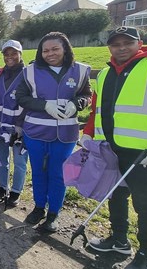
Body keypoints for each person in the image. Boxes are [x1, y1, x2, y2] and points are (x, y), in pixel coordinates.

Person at [83, 26, 147, 269]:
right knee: (115, 196)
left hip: (144, 152)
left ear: (139, 43)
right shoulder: (105, 74)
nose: (121, 48)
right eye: (115, 44)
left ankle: (146, 253)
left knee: (145, 204)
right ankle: (119, 240)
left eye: (127, 43)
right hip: (111, 149)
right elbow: (96, 110)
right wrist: (88, 134)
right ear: (109, 47)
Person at [16, 31, 91, 232]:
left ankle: (53, 214)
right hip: (36, 132)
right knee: (39, 172)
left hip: (65, 135)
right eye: (45, 50)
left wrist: (77, 104)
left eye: (55, 49)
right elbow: (21, 97)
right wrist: (44, 105)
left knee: (59, 174)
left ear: (65, 48)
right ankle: (39, 207)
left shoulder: (81, 71)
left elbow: (86, 94)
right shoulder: (30, 71)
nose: (50, 53)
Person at [0, 39, 30, 207]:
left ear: (20, 54)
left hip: (19, 126)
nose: (10, 57)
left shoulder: (28, 74)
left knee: (20, 161)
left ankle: (16, 191)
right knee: (1, 159)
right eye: (6, 54)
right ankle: (2, 187)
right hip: (0, 125)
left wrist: (20, 126)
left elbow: (30, 101)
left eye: (14, 53)